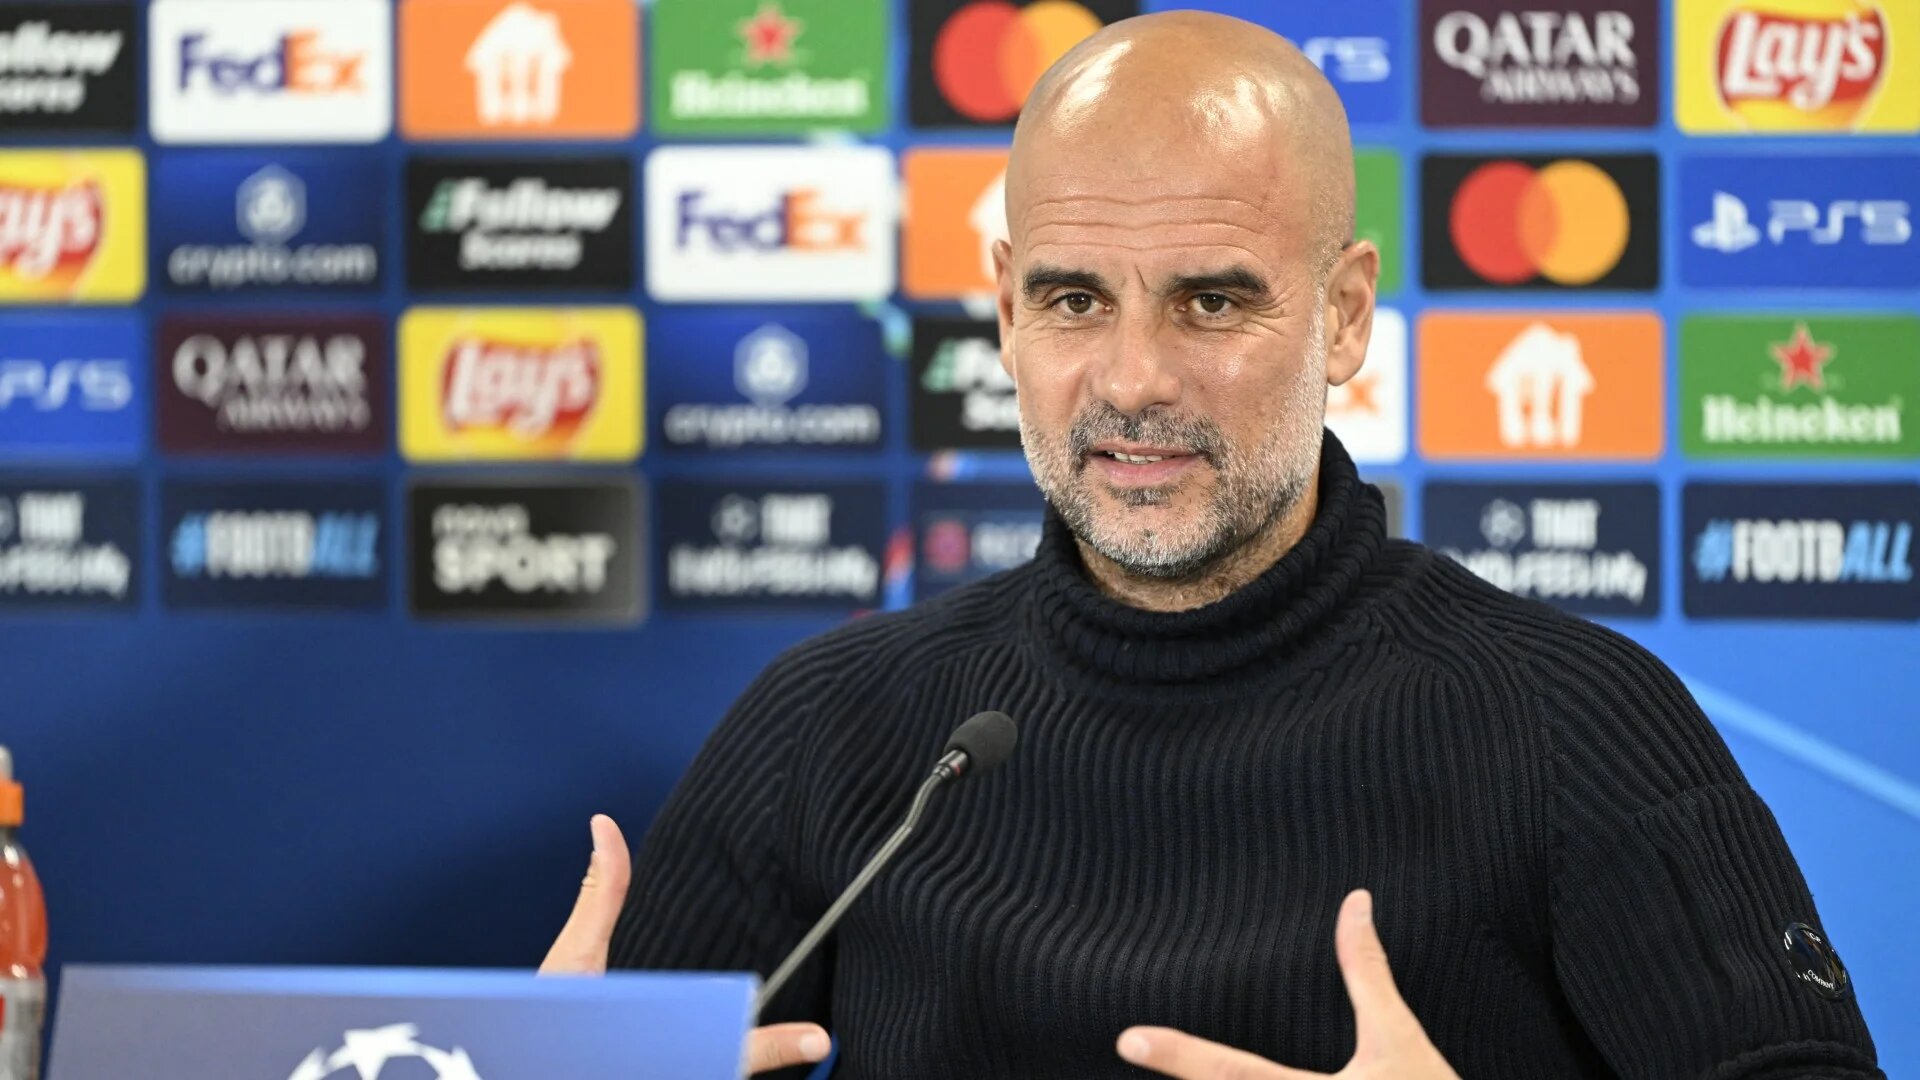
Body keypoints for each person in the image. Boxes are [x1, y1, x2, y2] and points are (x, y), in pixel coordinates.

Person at [541, 11, 1882, 1078]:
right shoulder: (831, 730)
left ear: (1344, 315)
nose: (1136, 378)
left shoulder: (1571, 722)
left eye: (1212, 301)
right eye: (1075, 300)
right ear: (1006, 313)